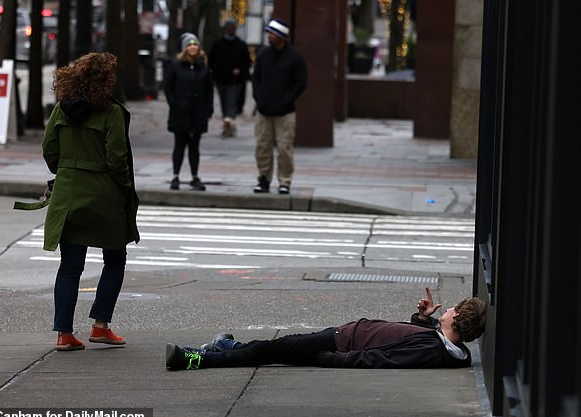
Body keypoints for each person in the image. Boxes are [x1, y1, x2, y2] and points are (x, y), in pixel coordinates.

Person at [42, 52, 140, 351]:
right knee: (115, 258)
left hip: (68, 195)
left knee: (70, 266)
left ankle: (63, 334)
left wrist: (66, 170)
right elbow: (117, 159)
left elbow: (49, 150)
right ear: (106, 81)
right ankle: (100, 325)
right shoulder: (111, 112)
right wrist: (125, 191)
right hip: (103, 195)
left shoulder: (61, 108)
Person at [165, 288, 486, 370]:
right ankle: (228, 347)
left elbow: (379, 359)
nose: (450, 310)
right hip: (344, 337)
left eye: (454, 310)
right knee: (276, 348)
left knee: (274, 350)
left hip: (340, 345)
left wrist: (324, 357)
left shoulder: (434, 349)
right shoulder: (439, 343)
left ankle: (193, 359)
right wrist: (422, 320)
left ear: (458, 322)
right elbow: (403, 342)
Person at [252, 18, 307, 195]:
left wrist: (288, 99)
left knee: (285, 148)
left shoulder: (294, 57)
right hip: (264, 110)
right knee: (262, 146)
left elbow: (301, 82)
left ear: (281, 36)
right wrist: (258, 98)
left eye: (272, 34)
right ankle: (263, 179)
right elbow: (256, 78)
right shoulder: (262, 55)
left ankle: (285, 181)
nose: (269, 36)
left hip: (285, 112)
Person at [163, 32, 214, 191]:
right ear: (185, 48)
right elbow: (168, 87)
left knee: (194, 147)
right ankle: (175, 175)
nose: (193, 47)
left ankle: (194, 176)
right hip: (181, 112)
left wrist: (207, 109)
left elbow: (209, 90)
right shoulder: (176, 66)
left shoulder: (203, 67)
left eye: (195, 45)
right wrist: (175, 104)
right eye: (190, 45)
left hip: (197, 112)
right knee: (179, 145)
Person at [208, 18, 252, 137]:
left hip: (235, 80)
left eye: (232, 28)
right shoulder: (218, 44)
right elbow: (211, 61)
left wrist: (240, 70)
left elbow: (247, 62)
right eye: (228, 28)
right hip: (221, 78)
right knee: (224, 101)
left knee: (231, 102)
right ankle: (228, 122)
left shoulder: (241, 45)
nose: (230, 30)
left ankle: (229, 123)